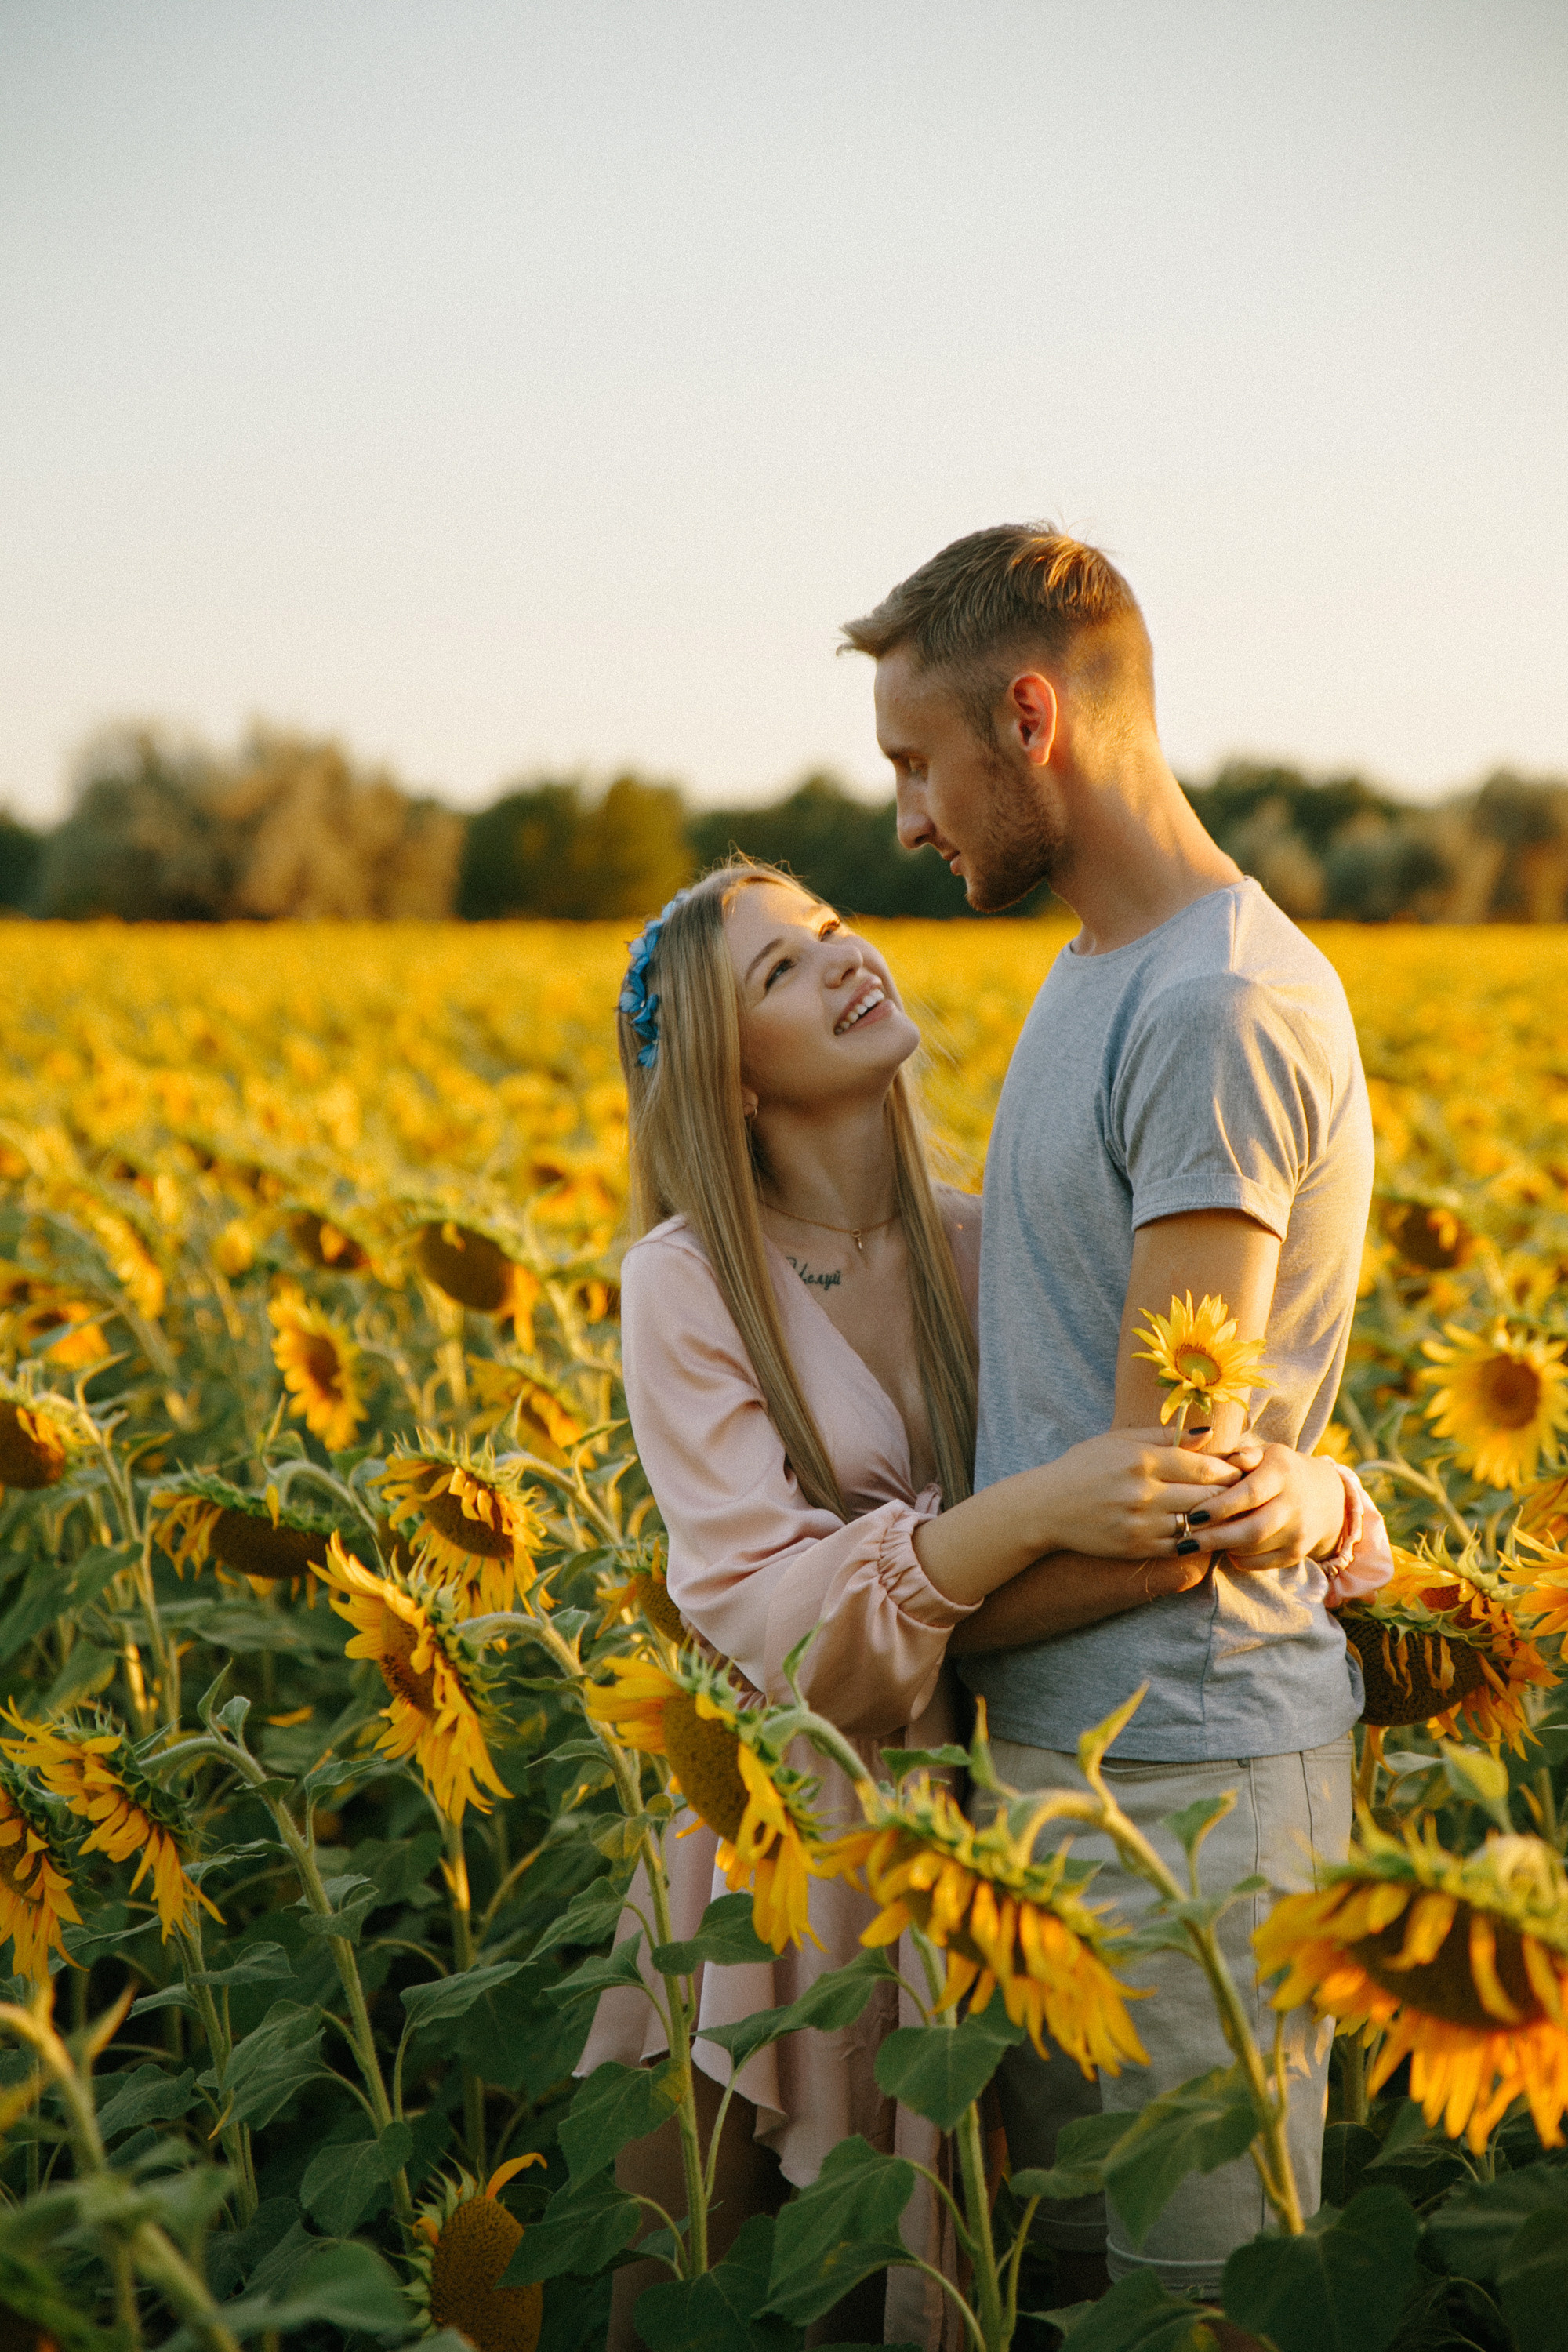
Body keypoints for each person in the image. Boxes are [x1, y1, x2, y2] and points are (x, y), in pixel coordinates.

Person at [582, 857, 1382, 2350]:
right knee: (688, 2297)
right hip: (781, 1853)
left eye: (828, 930)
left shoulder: (984, 1239)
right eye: (780, 972)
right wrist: (1029, 1511)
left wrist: (1328, 1502)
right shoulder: (689, 1280)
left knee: (970, 2287)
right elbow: (769, 1622)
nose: (843, 960)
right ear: (730, 1079)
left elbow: (1190, 1455)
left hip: (985, 1845)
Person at [840, 523, 1381, 2312]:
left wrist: (900, 1630)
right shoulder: (1098, 976)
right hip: (1065, 1768)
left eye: (918, 765)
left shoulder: (1218, 1004)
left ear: (1028, 715)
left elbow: (1174, 1497)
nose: (909, 820)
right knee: (1063, 2283)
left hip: (1196, 1784)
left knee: (1194, 2301)